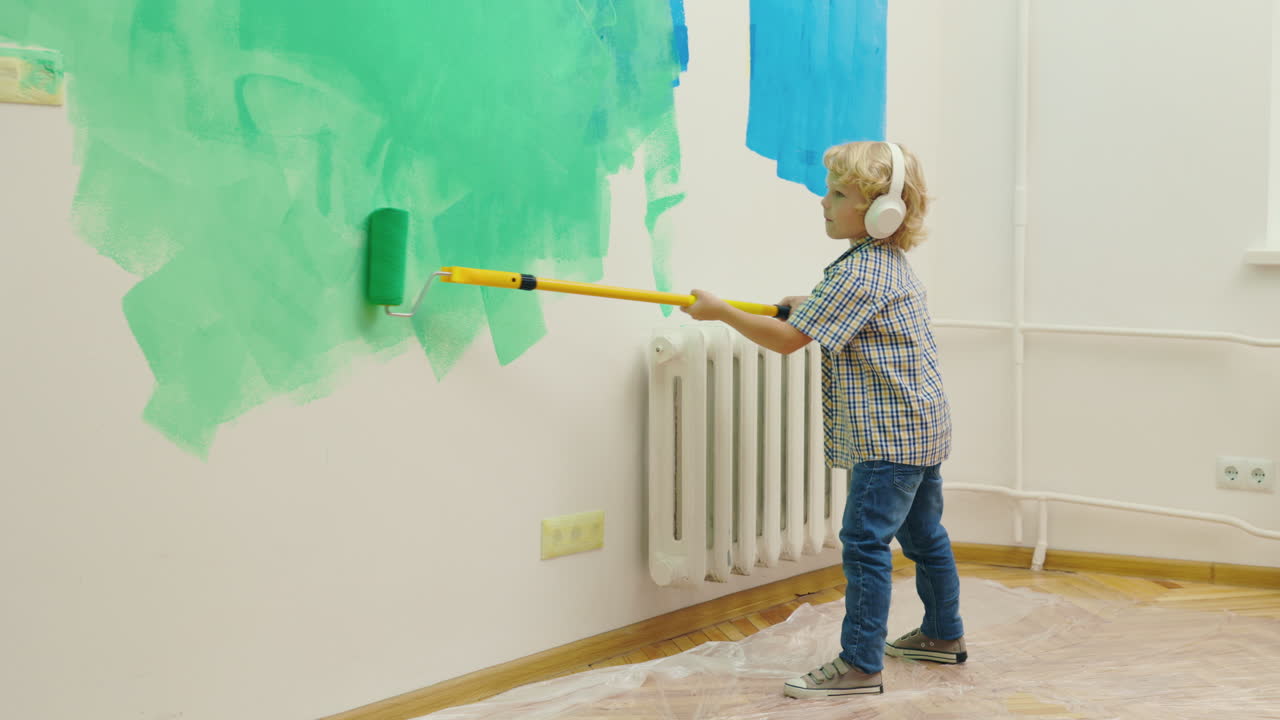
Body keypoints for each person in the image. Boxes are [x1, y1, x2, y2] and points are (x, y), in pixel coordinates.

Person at [681, 141, 965, 699]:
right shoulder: (883, 264)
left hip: (887, 441)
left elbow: (788, 342)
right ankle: (940, 634)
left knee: (864, 542)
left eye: (838, 194)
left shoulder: (860, 272)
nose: (824, 202)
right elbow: (842, 309)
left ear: (883, 212)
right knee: (925, 535)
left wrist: (721, 313)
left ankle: (860, 666)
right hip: (921, 428)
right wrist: (809, 300)